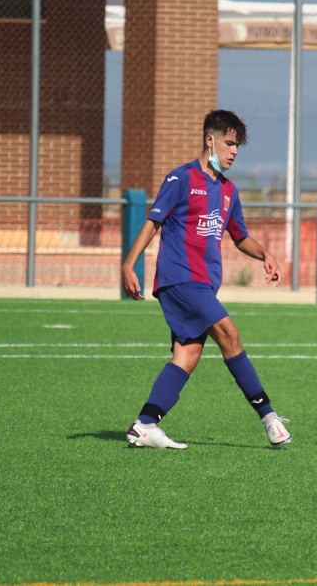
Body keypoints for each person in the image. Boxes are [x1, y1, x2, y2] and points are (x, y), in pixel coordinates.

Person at [121, 109, 290, 449]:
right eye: (229, 143)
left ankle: (145, 423)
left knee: (187, 354)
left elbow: (239, 237)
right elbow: (153, 223)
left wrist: (266, 254)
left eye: (237, 146)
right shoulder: (180, 179)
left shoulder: (229, 190)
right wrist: (129, 263)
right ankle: (269, 417)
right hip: (181, 278)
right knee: (230, 334)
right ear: (209, 140)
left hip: (203, 283)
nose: (234, 151)